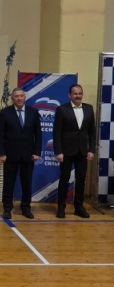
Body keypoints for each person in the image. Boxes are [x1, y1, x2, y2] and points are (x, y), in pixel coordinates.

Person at [0, 86, 42, 220]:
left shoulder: (33, 112)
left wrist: (37, 152)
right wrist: (2, 153)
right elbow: (0, 135)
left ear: (25, 98)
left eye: (21, 96)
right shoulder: (5, 113)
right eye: (16, 96)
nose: (19, 98)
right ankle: (7, 208)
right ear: (12, 99)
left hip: (28, 154)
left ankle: (26, 207)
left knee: (26, 182)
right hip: (10, 154)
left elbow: (38, 134)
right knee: (8, 182)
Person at [53, 83, 96, 219]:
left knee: (81, 180)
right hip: (66, 151)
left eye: (80, 93)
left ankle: (79, 207)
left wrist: (91, 150)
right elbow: (57, 132)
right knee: (64, 179)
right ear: (69, 95)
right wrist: (58, 151)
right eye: (75, 94)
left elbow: (92, 132)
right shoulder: (62, 109)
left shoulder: (89, 108)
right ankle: (61, 207)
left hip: (82, 151)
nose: (78, 96)